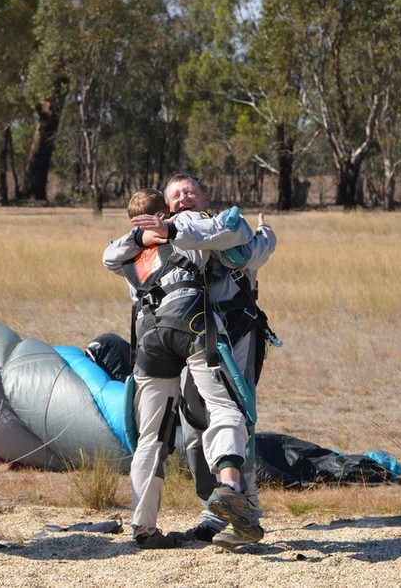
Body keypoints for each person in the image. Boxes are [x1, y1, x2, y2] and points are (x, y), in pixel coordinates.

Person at [103, 183, 265, 549]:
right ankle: (230, 485)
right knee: (226, 407)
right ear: (164, 211)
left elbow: (108, 257)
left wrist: (140, 234)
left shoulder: (131, 250)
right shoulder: (185, 223)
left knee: (151, 437)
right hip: (194, 326)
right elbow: (231, 234)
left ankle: (143, 527)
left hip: (151, 340)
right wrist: (172, 228)